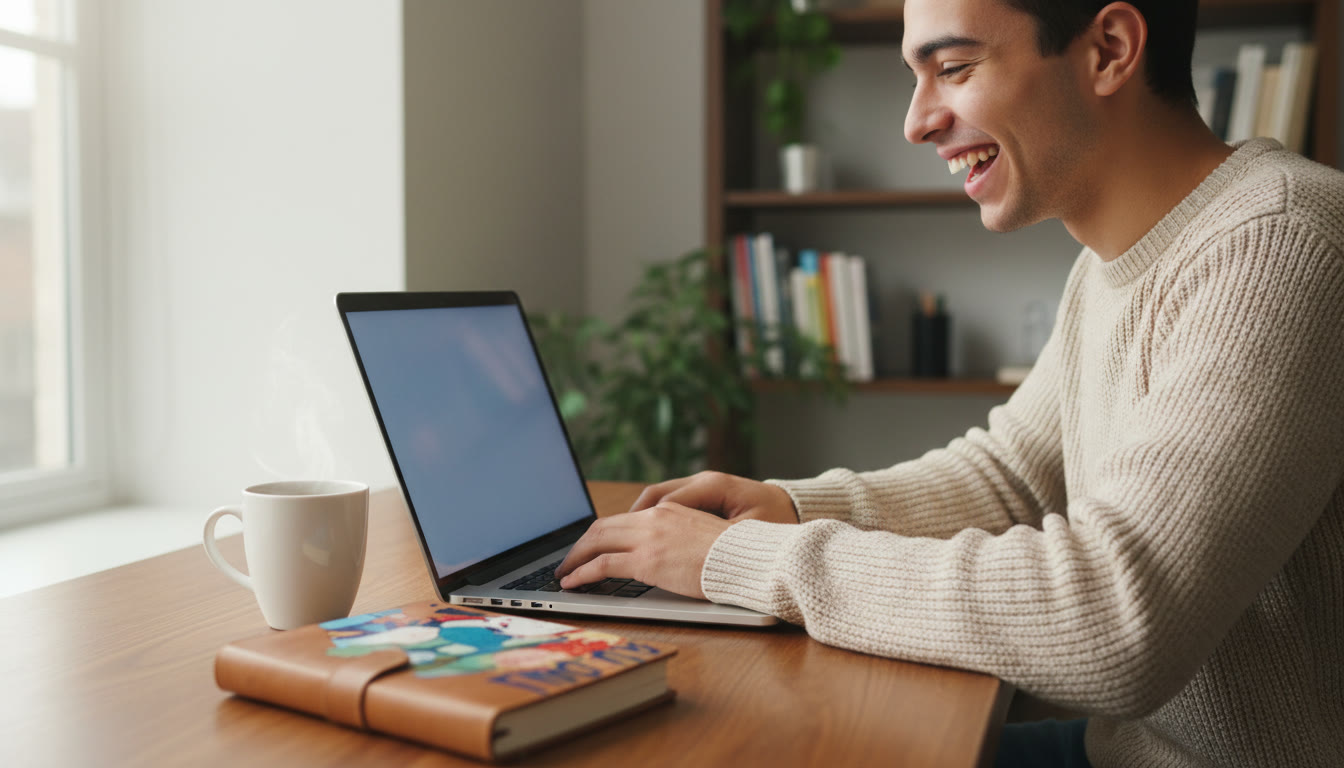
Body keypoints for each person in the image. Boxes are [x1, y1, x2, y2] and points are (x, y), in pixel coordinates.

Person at [557, 0, 1344, 764]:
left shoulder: (1281, 242)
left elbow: (1114, 619)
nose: (916, 121)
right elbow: (1011, 478)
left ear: (1109, 49)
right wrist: (790, 506)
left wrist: (746, 558)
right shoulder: (1111, 265)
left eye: (955, 68)